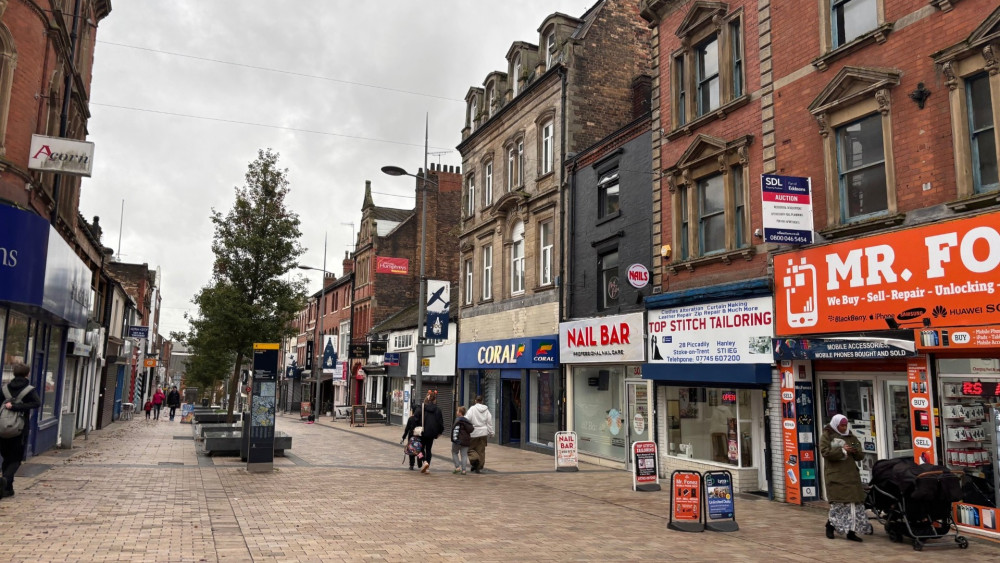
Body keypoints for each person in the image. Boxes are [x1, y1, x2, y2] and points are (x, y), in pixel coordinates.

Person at [820, 414, 872, 541]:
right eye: (841, 426)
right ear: (836, 425)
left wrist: (855, 451)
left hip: (851, 475)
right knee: (840, 504)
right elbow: (825, 452)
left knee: (854, 505)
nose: (844, 428)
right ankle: (831, 525)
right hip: (836, 475)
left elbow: (860, 454)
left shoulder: (851, 436)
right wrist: (842, 450)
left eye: (845, 425)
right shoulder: (827, 435)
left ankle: (851, 532)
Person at [0, 363, 42, 499]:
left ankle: (7, 489)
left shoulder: (4, 388)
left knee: (6, 458)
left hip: (2, 428)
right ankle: (5, 479)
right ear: (27, 374)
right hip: (20, 429)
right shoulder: (29, 390)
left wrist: (8, 406)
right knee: (16, 459)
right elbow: (36, 403)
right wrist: (18, 407)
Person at [417, 390, 444, 473]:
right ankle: (427, 466)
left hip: (422, 432)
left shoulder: (422, 408)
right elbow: (440, 422)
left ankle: (424, 461)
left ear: (428, 398)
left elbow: (416, 419)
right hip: (432, 433)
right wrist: (439, 432)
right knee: (428, 450)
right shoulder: (438, 410)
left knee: (419, 450)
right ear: (435, 400)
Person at [466, 395, 495, 473]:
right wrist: (491, 432)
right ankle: (479, 466)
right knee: (481, 451)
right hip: (483, 433)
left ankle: (475, 460)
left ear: (475, 401)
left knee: (470, 449)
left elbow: (467, 419)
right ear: (482, 401)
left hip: (474, 432)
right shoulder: (486, 410)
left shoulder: (472, 409)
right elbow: (489, 422)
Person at [451, 405, 474, 475]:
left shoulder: (458, 420)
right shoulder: (467, 421)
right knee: (464, 455)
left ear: (460, 413)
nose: (456, 412)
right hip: (466, 440)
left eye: (457, 411)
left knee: (454, 452)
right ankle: (464, 470)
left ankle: (457, 467)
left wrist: (454, 439)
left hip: (458, 440)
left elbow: (456, 430)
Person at [401, 406, 422, 471]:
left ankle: (411, 465)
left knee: (411, 450)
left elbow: (407, 429)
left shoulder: (410, 419)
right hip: (419, 437)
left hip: (411, 437)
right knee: (419, 450)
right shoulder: (421, 419)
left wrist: (403, 437)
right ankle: (419, 460)